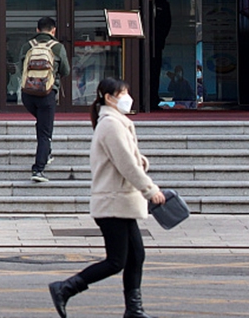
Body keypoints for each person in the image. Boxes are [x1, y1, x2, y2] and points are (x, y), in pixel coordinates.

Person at [49, 77, 165, 318]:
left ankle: (134, 309)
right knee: (116, 261)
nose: (127, 98)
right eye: (122, 93)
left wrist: (140, 161)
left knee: (136, 256)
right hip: (112, 202)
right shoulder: (110, 124)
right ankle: (65, 288)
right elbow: (126, 165)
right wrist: (151, 190)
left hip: (121, 201)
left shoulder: (117, 122)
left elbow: (129, 159)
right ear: (109, 98)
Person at [18, 17, 70, 183]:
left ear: (37, 29)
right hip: (46, 94)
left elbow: (21, 68)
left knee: (42, 124)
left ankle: (45, 153)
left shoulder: (28, 46)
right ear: (53, 30)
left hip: (28, 94)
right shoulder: (58, 47)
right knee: (45, 133)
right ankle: (38, 169)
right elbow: (66, 70)